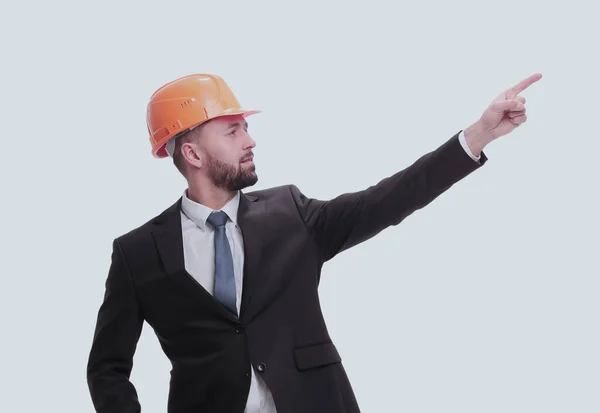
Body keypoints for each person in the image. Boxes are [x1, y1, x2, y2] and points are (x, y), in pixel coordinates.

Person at [86, 72, 542, 413]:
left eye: (244, 127)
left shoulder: (290, 213)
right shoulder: (138, 253)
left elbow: (386, 200)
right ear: (192, 153)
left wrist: (478, 136)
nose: (251, 140)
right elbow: (107, 368)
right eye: (233, 131)